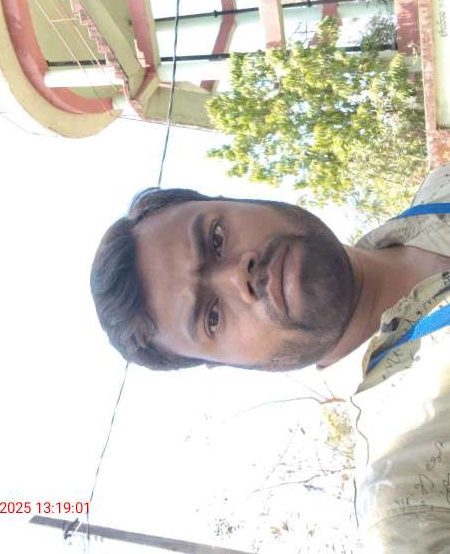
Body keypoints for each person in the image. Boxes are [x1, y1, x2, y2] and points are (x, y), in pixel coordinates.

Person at [91, 166, 450, 552]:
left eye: (216, 239)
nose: (236, 277)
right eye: (212, 317)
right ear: (229, 364)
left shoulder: (440, 187)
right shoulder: (410, 506)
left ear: (235, 201)